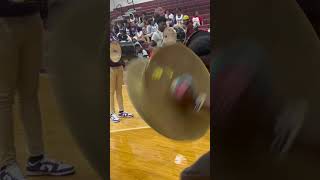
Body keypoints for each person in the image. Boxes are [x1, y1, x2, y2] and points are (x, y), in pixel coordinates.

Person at [0, 1, 75, 179]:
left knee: (30, 93)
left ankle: (37, 158)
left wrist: (45, 14)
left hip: (32, 17)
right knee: (3, 97)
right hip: (2, 18)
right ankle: (6, 164)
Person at [110, 53, 134, 123]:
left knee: (119, 91)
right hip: (110, 68)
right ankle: (112, 113)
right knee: (111, 92)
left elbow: (119, 53)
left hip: (119, 66)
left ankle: (121, 111)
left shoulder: (115, 42)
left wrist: (123, 64)